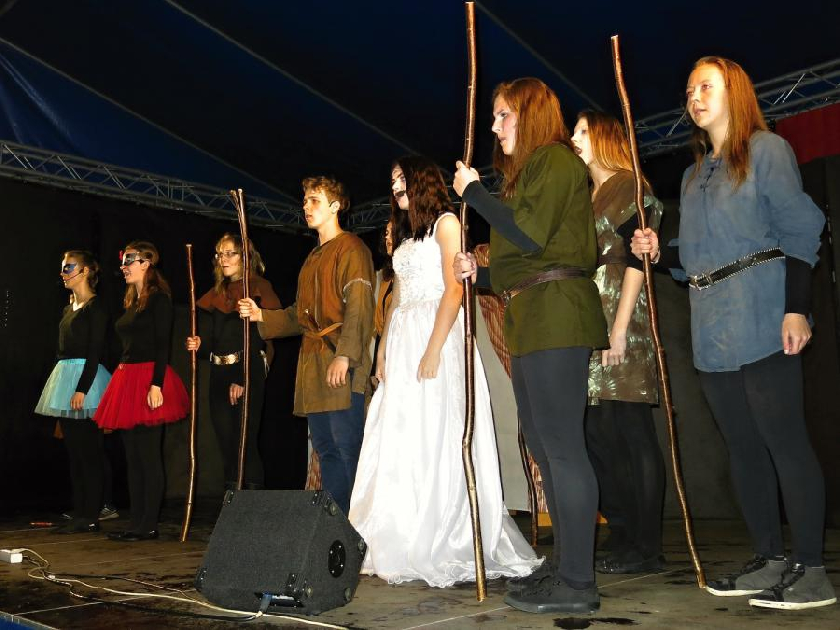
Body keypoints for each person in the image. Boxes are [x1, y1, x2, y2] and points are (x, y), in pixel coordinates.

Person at [631, 56, 835, 610]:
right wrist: (659, 251)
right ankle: (768, 557)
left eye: (706, 86)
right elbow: (698, 254)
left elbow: (801, 228)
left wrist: (796, 309)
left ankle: (812, 571)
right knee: (742, 449)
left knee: (783, 440)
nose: (694, 97)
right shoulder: (693, 175)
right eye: (689, 89)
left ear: (734, 92)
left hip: (762, 310)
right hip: (711, 323)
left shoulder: (767, 150)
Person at [453, 77, 608, 614]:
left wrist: (475, 194)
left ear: (530, 112)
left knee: (562, 448)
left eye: (503, 115)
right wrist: (482, 273)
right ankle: (565, 566)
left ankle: (578, 582)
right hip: (532, 314)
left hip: (557, 314)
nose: (494, 127)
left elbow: (531, 233)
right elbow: (526, 254)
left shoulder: (557, 160)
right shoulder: (529, 174)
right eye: (493, 117)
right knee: (545, 449)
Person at [349, 156, 540, 587]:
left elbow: (455, 289)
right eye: (391, 180)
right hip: (403, 337)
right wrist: (383, 351)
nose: (395, 186)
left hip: (436, 330)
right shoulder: (406, 235)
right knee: (400, 431)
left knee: (436, 429)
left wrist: (434, 348)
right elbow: (398, 296)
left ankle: (440, 534)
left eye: (401, 178)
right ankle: (396, 533)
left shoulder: (446, 223)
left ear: (420, 181)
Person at [238, 176, 374, 514]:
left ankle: (357, 524)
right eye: (305, 201)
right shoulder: (312, 257)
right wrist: (261, 315)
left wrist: (345, 356)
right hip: (313, 362)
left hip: (339, 358)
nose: (306, 207)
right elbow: (300, 314)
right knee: (325, 449)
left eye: (315, 200)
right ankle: (335, 522)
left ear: (335, 206)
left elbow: (359, 306)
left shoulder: (352, 248)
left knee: (347, 447)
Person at [570, 111, 666, 574]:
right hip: (590, 321)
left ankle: (646, 546)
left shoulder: (628, 185)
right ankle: (622, 531)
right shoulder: (585, 197)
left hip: (620, 315)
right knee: (596, 434)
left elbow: (635, 260)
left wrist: (621, 327)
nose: (573, 138)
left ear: (606, 137)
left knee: (631, 429)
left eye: (582, 131)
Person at [94, 242, 189, 541]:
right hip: (127, 378)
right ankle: (135, 522)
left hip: (149, 378)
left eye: (129, 260)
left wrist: (156, 384)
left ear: (146, 263)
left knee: (148, 455)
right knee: (133, 457)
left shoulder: (159, 300)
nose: (123, 266)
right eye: (123, 261)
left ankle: (148, 524)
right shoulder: (132, 301)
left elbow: (163, 345)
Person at [186, 234, 281, 490]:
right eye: (220, 253)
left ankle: (252, 508)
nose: (223, 259)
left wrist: (243, 378)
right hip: (219, 374)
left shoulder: (258, 288)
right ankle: (234, 506)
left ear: (245, 257)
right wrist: (199, 345)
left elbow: (258, 337)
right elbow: (216, 341)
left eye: (230, 253)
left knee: (244, 445)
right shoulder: (218, 292)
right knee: (226, 445)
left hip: (246, 371)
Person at [35, 250, 112, 533]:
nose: (63, 272)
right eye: (63, 267)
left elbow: (95, 352)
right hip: (64, 378)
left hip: (86, 382)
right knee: (75, 453)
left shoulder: (97, 307)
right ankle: (81, 512)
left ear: (86, 271)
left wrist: (82, 389)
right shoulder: (68, 308)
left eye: (69, 267)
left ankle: (91, 515)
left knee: (89, 452)